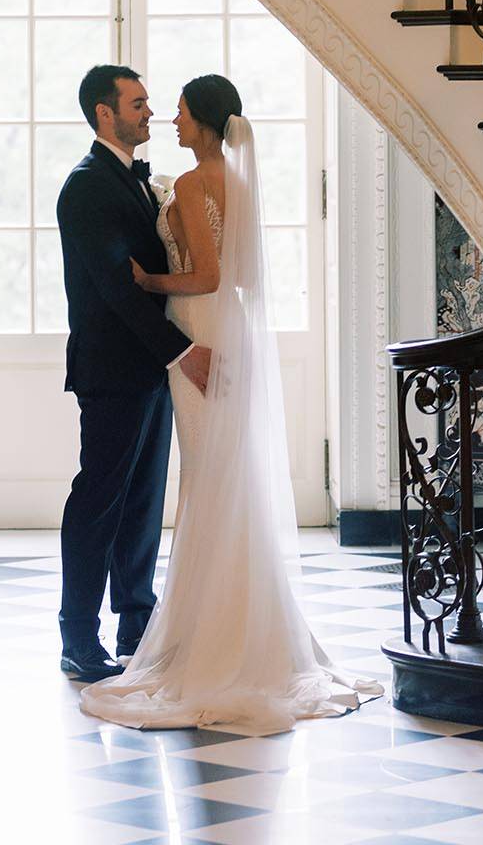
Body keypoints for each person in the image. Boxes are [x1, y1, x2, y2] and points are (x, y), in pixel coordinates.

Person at [81, 74, 384, 735]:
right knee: (225, 474)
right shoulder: (237, 183)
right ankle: (236, 621)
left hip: (196, 322)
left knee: (206, 477)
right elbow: (238, 277)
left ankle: (206, 632)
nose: (172, 121)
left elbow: (208, 273)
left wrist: (148, 278)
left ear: (208, 122)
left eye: (183, 114)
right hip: (227, 325)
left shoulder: (192, 184)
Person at [56, 66, 212, 685]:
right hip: (114, 369)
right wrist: (181, 351)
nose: (150, 113)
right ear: (105, 113)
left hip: (150, 369)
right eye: (139, 103)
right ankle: (76, 635)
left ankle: (136, 624)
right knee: (99, 501)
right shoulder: (87, 186)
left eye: (149, 103)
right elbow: (118, 286)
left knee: (143, 504)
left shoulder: (140, 183)